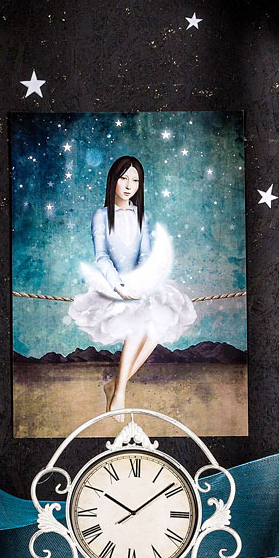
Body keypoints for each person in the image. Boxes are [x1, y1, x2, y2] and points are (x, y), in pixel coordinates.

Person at [68, 155, 196, 418]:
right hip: (113, 286)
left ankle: (115, 385)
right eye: (124, 178)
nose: (129, 185)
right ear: (113, 180)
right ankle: (120, 394)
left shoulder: (141, 215)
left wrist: (143, 282)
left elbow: (145, 254)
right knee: (138, 323)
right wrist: (119, 285)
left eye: (135, 180)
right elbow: (101, 256)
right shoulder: (101, 216)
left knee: (157, 327)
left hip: (140, 284)